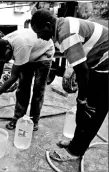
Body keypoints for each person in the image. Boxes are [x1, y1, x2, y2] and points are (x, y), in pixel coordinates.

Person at [31, 9, 108, 161]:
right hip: (98, 64)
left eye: (39, 32)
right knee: (85, 109)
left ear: (48, 25)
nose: (39, 36)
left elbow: (82, 70)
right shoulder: (63, 25)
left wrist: (82, 99)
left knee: (91, 111)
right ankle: (75, 143)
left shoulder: (66, 32)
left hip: (105, 68)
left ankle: (75, 151)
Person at [0, 28, 55, 131]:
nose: (6, 60)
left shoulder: (20, 45)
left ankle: (34, 121)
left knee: (38, 90)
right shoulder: (1, 45)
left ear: (9, 47)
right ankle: (18, 118)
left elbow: (13, 77)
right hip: (28, 51)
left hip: (43, 54)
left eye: (6, 57)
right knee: (23, 87)